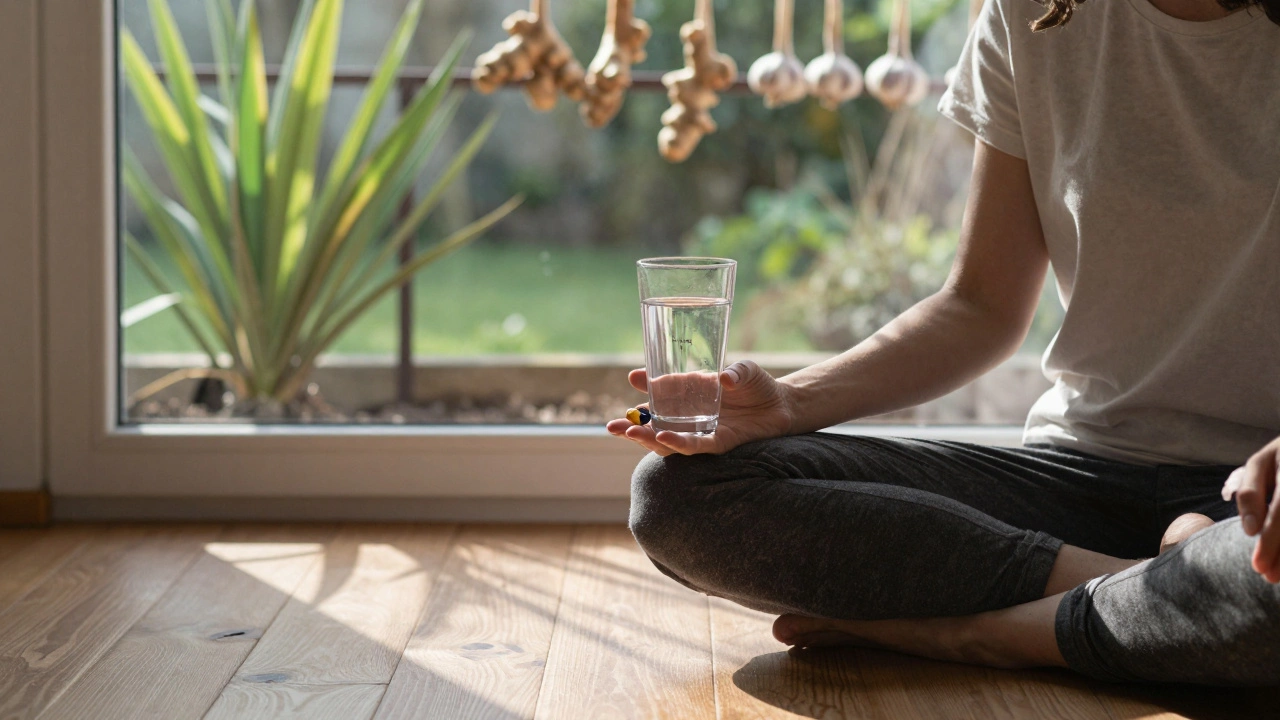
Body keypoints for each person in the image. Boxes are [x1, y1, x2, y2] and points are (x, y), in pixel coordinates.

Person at [607, 0, 1280, 686]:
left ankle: (991, 634)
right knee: (682, 497)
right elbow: (980, 306)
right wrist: (788, 401)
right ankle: (1180, 596)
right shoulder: (1038, 15)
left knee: (1266, 571)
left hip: (1267, 494)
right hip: (1079, 481)